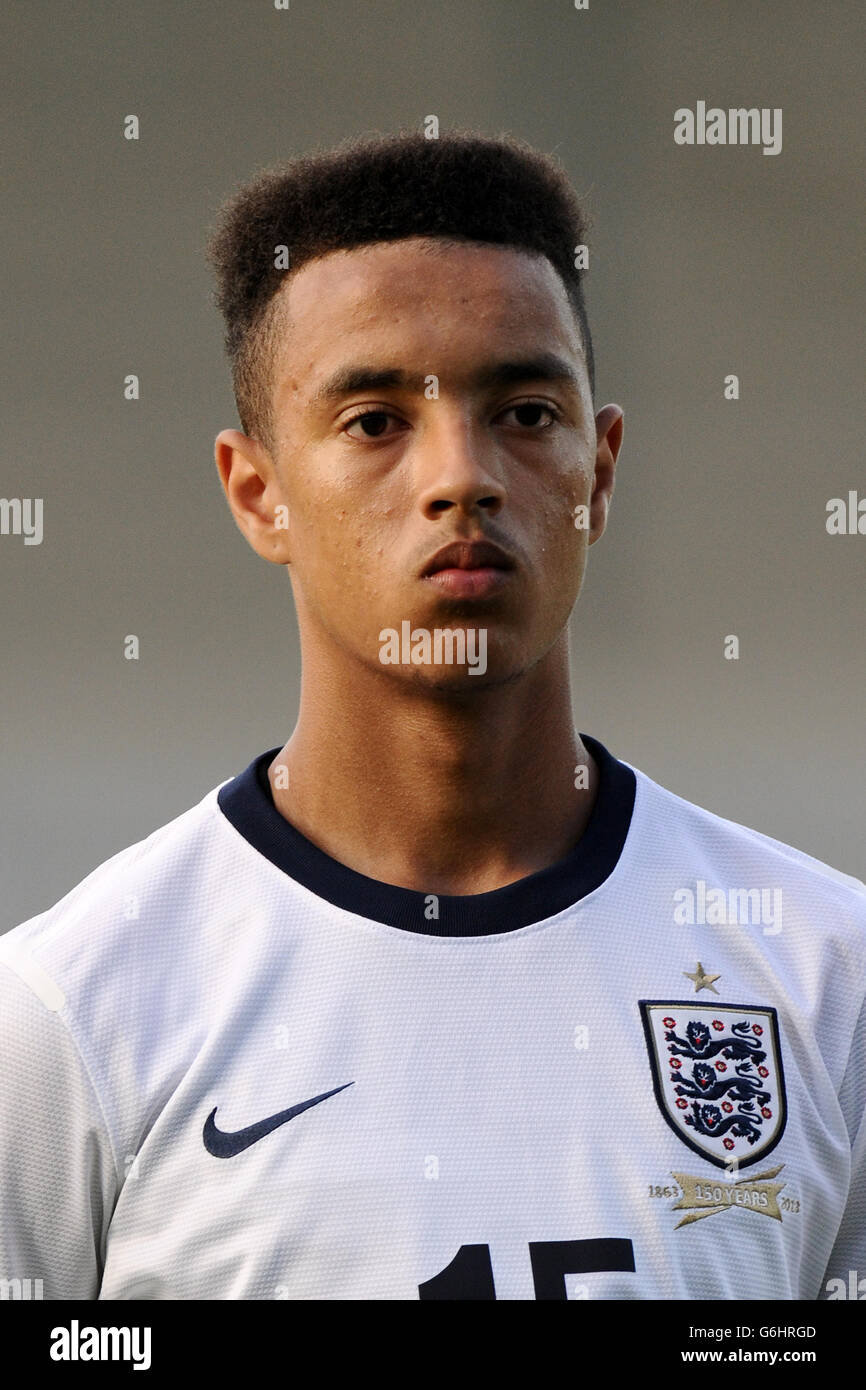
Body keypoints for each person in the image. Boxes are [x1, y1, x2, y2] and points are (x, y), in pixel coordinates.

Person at [1, 130, 863, 1301]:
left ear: (597, 471)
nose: (461, 474)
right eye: (372, 420)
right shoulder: (67, 1016)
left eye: (522, 410)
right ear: (258, 493)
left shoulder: (824, 976)